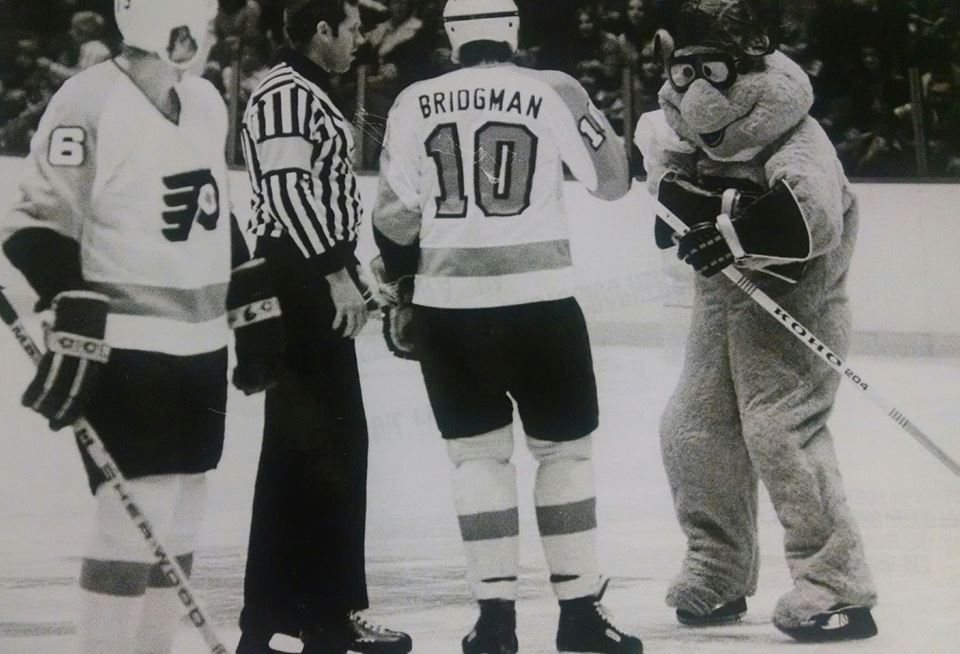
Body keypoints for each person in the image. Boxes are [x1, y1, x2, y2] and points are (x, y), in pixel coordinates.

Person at [0, 1, 284, 653]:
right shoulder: (88, 102)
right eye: (204, 24)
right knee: (135, 519)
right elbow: (33, 223)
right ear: (171, 29)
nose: (213, 36)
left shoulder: (206, 102)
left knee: (182, 516)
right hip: (127, 345)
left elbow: (215, 215)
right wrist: (69, 299)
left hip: (200, 343)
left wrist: (252, 308)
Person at [370, 1, 643, 652]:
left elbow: (393, 217)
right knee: (565, 454)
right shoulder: (554, 88)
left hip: (448, 308)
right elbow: (613, 183)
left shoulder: (414, 100)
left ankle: (494, 622)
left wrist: (406, 292)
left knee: (477, 460)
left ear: (450, 36)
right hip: (540, 303)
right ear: (513, 30)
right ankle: (578, 615)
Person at [633, 0, 878, 642]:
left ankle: (838, 584)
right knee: (692, 428)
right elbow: (669, 203)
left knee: (779, 433)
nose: (697, 101)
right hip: (723, 309)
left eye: (714, 74)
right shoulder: (690, 140)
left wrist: (732, 228)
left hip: (796, 310)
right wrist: (691, 207)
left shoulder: (797, 138)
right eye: (683, 78)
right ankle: (720, 567)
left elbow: (810, 220)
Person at [235, 1, 411, 653]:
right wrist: (336, 274)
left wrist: (358, 278)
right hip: (299, 277)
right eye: (351, 28)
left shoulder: (298, 91)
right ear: (320, 31)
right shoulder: (286, 93)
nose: (358, 40)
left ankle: (291, 615)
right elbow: (287, 192)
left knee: (309, 447)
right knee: (326, 447)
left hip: (307, 271)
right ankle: (323, 616)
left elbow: (311, 197)